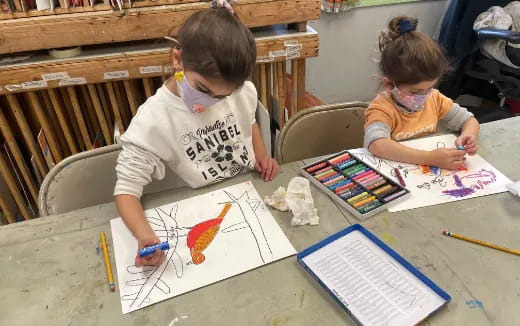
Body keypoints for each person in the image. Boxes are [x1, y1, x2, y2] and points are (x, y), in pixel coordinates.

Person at [114, 2, 279, 267]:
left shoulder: (242, 91)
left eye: (222, 96)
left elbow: (248, 123)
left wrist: (262, 156)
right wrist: (144, 235)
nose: (209, 103)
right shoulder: (154, 120)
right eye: (202, 88)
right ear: (177, 59)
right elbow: (126, 191)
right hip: (197, 210)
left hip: (249, 199)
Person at [364, 16, 480, 170]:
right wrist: (430, 158)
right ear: (389, 84)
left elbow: (469, 121)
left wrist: (468, 135)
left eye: (429, 88)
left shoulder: (435, 98)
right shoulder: (381, 109)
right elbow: (377, 144)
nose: (424, 95)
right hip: (395, 174)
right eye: (415, 91)